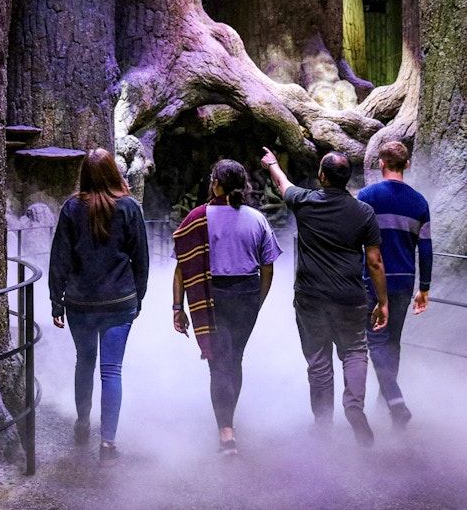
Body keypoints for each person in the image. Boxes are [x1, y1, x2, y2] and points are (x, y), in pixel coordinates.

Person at [260, 147, 388, 447]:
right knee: (355, 351)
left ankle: (322, 425)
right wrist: (383, 301)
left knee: (318, 361)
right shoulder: (363, 212)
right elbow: (375, 262)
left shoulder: (305, 202)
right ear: (347, 178)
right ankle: (354, 406)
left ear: (322, 176)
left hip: (311, 297)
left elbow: (283, 184)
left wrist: (273, 164)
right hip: (350, 297)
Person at [172, 159, 282, 456]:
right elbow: (268, 268)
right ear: (244, 186)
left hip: (212, 296)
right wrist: (257, 302)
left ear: (216, 184)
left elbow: (183, 267)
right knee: (234, 359)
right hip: (247, 294)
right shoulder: (256, 219)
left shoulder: (197, 217)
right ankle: (228, 420)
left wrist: (177, 306)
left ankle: (226, 431)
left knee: (219, 363)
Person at [48, 148, 149, 465]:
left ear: (85, 176)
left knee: (84, 362)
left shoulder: (72, 208)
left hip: (81, 303)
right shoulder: (129, 208)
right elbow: (141, 259)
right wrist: (138, 297)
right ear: (113, 173)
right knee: (111, 371)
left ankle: (82, 422)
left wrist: (56, 300)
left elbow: (60, 258)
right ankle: (107, 445)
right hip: (120, 302)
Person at [357, 140, 432, 430]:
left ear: (381, 163)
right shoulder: (419, 202)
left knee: (375, 341)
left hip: (372, 282)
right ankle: (385, 403)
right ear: (407, 165)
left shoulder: (367, 196)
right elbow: (425, 248)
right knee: (392, 343)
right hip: (404, 281)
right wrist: (424, 288)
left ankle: (396, 403)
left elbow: (356, 243)